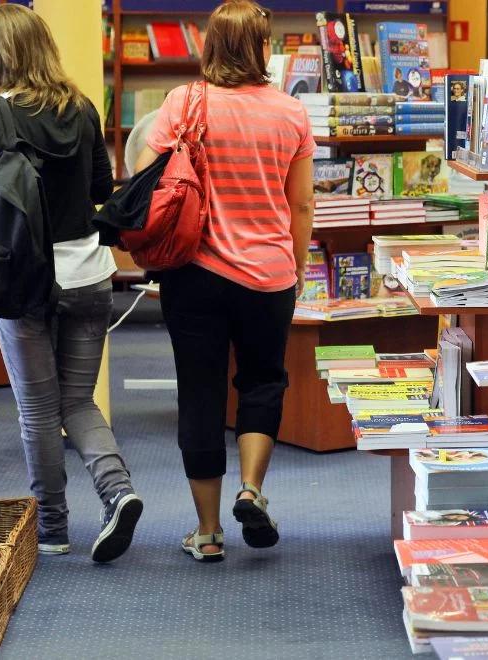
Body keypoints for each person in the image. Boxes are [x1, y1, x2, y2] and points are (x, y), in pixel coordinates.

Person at [135, 0, 314, 563]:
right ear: (262, 49)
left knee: (201, 391)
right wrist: (299, 265)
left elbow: (148, 182)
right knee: (263, 381)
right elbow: (302, 203)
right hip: (268, 274)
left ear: (210, 45)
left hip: (194, 273)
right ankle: (251, 489)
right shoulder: (290, 113)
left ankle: (208, 532)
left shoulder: (181, 104)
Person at [0, 4, 143, 563]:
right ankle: (119, 493)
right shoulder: (83, 108)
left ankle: (53, 528)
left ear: (1, 55)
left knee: (38, 410)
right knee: (78, 402)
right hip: (89, 276)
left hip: (24, 283)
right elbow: (101, 186)